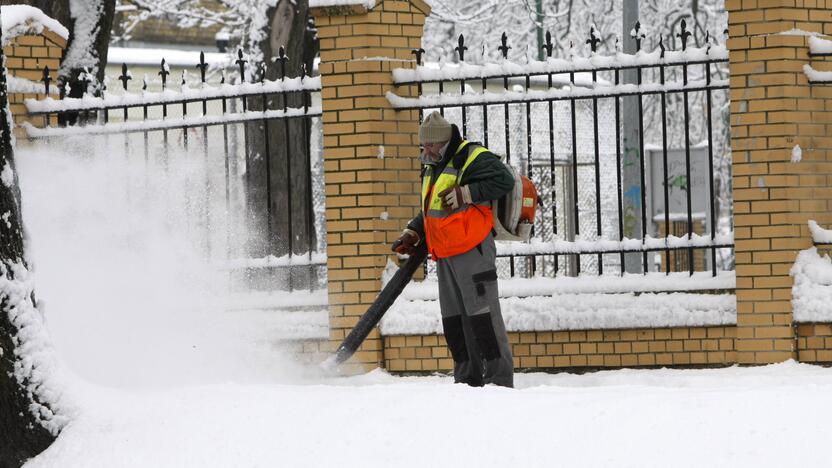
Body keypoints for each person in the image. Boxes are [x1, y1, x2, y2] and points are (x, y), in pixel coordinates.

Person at [392, 111, 515, 388]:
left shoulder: (471, 156)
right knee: (455, 321)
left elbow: (503, 181)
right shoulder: (434, 166)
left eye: (429, 146)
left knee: (483, 317)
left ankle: (498, 381)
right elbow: (432, 209)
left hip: (472, 250)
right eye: (423, 147)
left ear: (441, 141)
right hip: (445, 253)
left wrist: (466, 193)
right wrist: (414, 230)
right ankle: (467, 380)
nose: (425, 151)